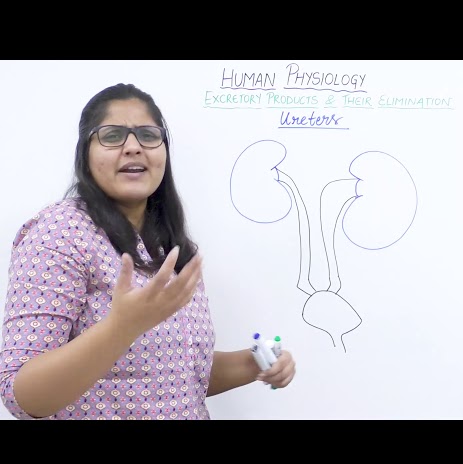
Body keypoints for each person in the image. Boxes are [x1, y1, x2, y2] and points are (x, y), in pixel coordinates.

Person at [0, 83, 296, 420]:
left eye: (148, 135)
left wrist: (255, 363)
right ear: (85, 153)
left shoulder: (171, 245)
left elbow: (173, 376)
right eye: (112, 136)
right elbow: (21, 395)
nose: (133, 147)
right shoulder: (59, 233)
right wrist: (120, 327)